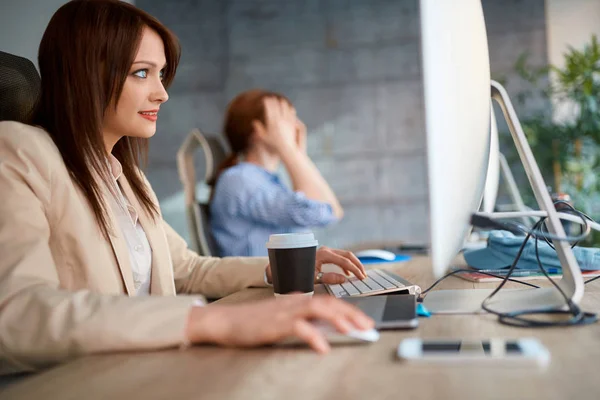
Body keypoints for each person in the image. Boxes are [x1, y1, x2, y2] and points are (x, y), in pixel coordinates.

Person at [0, 0, 371, 376]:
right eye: (142, 73)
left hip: (152, 371)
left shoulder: (127, 179)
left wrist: (281, 269)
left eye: (161, 75)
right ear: (84, 75)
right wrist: (207, 322)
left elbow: (187, 269)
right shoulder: (19, 150)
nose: (162, 93)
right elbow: (16, 311)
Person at [209, 90, 344, 256]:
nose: (297, 126)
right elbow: (317, 213)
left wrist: (299, 155)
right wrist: (290, 151)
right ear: (258, 129)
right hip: (260, 281)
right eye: (285, 118)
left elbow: (333, 212)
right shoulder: (240, 179)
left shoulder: (264, 180)